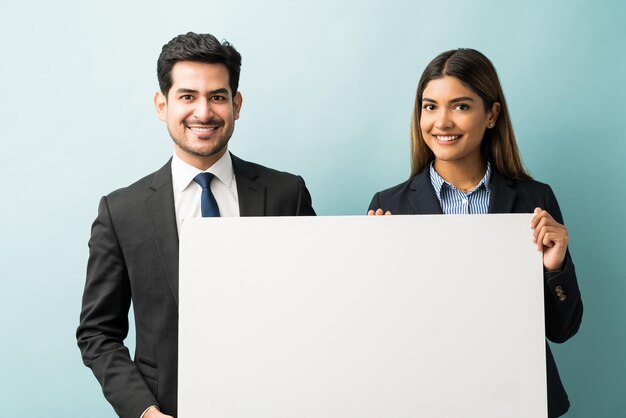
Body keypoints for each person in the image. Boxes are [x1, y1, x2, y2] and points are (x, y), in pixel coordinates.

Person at [76, 32, 315, 418]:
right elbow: (97, 334)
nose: (203, 112)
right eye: (187, 96)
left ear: (236, 104)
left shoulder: (289, 194)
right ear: (162, 104)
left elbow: (316, 302)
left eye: (217, 96)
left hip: (276, 404)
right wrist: (145, 412)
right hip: (169, 408)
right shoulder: (121, 212)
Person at [368, 49, 582, 417]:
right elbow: (377, 336)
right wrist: (374, 270)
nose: (442, 122)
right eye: (430, 106)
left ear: (492, 115)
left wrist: (554, 266)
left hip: (517, 396)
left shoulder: (535, 200)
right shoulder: (389, 207)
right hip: (427, 398)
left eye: (461, 106)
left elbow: (562, 330)